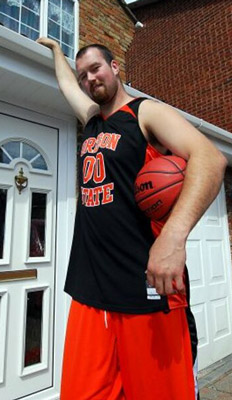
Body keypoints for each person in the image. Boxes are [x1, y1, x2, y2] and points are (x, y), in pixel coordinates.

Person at [37, 37, 227, 400]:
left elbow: (210, 159)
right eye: (83, 76)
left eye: (95, 69)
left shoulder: (145, 113)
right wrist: (57, 53)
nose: (89, 79)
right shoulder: (93, 121)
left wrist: (174, 237)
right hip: (90, 291)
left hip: (148, 289)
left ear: (114, 67)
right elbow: (65, 84)